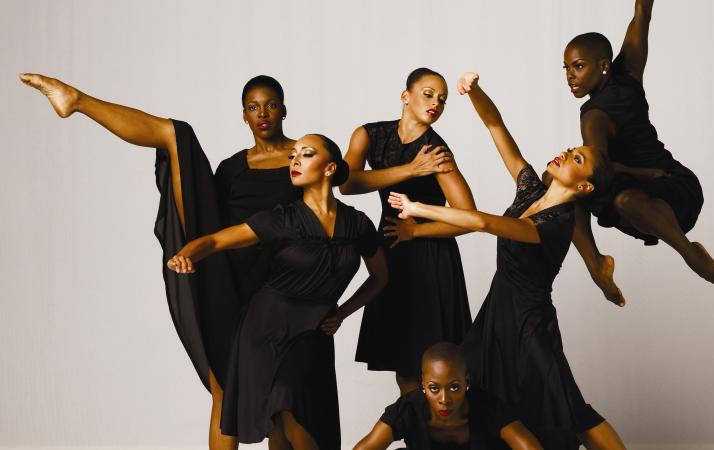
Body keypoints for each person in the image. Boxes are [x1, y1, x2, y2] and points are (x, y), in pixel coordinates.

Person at [19, 73, 302, 449]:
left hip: (278, 286)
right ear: (244, 116)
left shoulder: (306, 157)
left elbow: (335, 202)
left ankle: (77, 100)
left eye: (270, 105)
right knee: (225, 387)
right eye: (253, 107)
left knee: (280, 399)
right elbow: (207, 212)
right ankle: (77, 100)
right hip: (226, 278)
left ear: (284, 109)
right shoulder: (232, 168)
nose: (262, 113)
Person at [387, 72, 626, 449]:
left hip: (530, 322)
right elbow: (496, 127)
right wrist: (475, 92)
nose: (566, 153)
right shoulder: (531, 188)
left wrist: (418, 208)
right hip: (496, 314)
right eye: (570, 148)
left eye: (577, 158)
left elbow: (482, 222)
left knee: (570, 408)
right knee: (476, 391)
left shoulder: (556, 224)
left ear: (584, 186)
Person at [167, 134, 388, 449]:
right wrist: (187, 253)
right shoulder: (281, 219)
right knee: (285, 406)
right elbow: (216, 241)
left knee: (292, 420)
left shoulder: (358, 225)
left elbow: (380, 277)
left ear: (329, 168)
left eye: (307, 154)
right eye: (293, 155)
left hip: (314, 333)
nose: (295, 160)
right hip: (265, 329)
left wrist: (342, 312)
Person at [563, 0, 714, 306]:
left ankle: (691, 253)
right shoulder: (611, 94)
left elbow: (643, 12)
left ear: (604, 66)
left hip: (675, 189)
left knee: (620, 198)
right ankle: (596, 265)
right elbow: (602, 169)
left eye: (579, 66)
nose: (570, 76)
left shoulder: (613, 92)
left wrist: (643, 174)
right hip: (637, 198)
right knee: (564, 191)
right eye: (567, 68)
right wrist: (639, 173)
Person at [341, 68, 475, 394]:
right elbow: (346, 183)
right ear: (406, 96)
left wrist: (416, 231)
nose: (436, 104)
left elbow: (469, 217)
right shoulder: (368, 134)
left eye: (442, 99)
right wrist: (410, 170)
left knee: (437, 367)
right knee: (404, 367)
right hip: (391, 253)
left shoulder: (436, 150)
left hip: (430, 254)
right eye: (428, 94)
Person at [354, 342, 543, 450]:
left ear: (466, 382)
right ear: (423, 385)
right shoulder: (408, 409)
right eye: (434, 388)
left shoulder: (488, 407)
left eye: (454, 387)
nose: (444, 400)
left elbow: (528, 446)